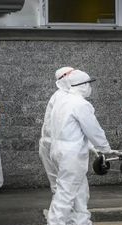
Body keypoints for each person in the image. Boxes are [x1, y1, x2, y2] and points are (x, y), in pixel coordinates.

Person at [44, 70, 111, 225]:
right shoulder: (80, 104)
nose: (89, 87)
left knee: (80, 191)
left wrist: (94, 148)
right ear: (80, 86)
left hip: (59, 150)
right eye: (87, 83)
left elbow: (70, 129)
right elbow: (93, 130)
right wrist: (105, 149)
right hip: (71, 154)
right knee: (66, 191)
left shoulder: (62, 100)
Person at [39, 66, 74, 194]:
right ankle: (62, 213)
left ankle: (63, 212)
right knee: (60, 184)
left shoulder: (65, 95)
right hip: (53, 145)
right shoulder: (61, 97)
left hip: (53, 144)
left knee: (61, 183)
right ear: (64, 77)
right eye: (72, 74)